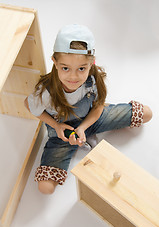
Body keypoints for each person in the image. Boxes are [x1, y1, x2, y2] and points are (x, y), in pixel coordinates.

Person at [24, 24, 152, 195]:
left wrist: (83, 128)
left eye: (81, 69)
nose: (73, 76)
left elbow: (98, 106)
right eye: (65, 68)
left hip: (91, 119)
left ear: (91, 64)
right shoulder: (47, 91)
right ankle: (79, 141)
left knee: (146, 113)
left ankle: (86, 136)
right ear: (55, 63)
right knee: (45, 188)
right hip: (62, 132)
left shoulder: (92, 79)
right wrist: (56, 126)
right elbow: (28, 104)